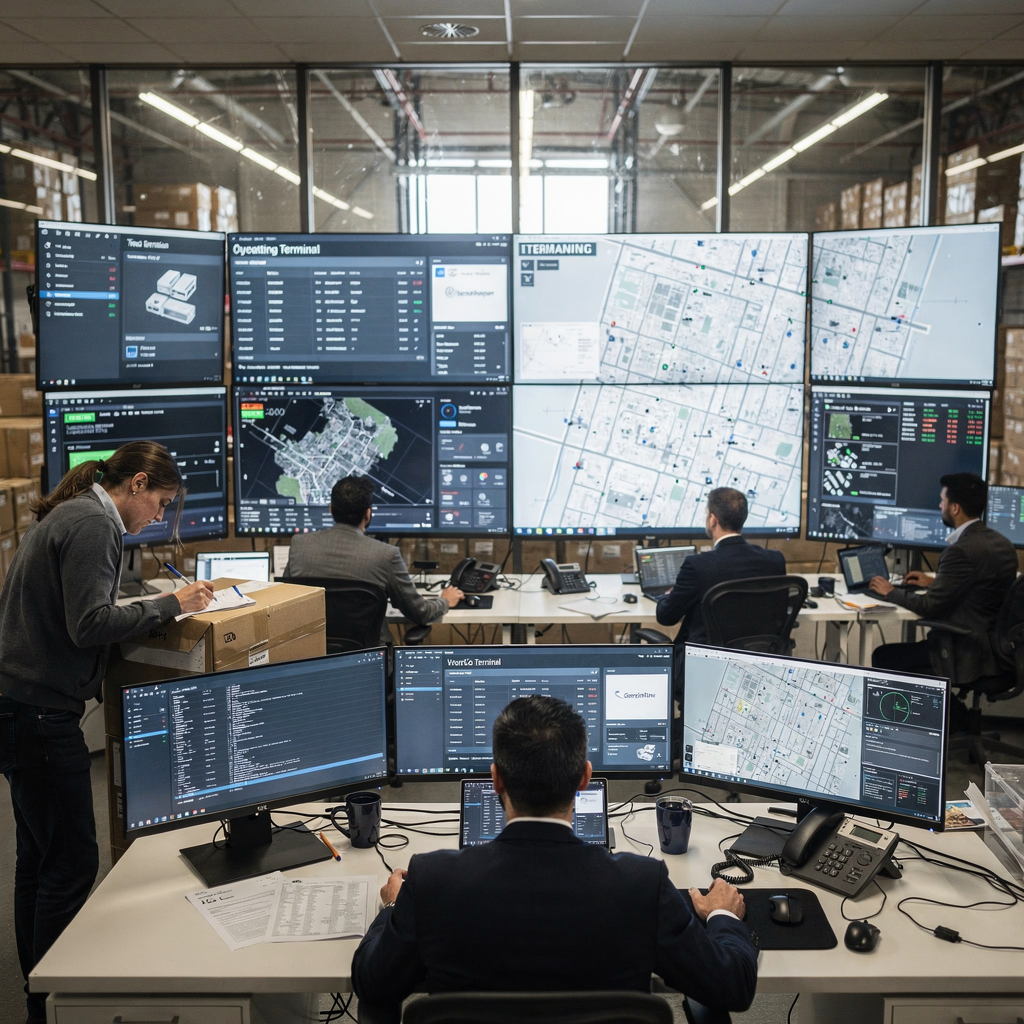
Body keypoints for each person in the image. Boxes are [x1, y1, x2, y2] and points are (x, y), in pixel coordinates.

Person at [352, 696, 758, 1022]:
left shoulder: (432, 879)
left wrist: (393, 907)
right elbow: (732, 988)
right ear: (584, 778)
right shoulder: (642, 883)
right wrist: (722, 916)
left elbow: (372, 983)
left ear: (495, 779)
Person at [0, 441, 214, 1024]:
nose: (156, 518)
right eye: (160, 504)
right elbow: (89, 623)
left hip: (19, 705)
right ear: (138, 484)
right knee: (70, 863)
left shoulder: (72, 515)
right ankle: (55, 1003)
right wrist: (171, 603)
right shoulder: (95, 524)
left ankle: (37, 992)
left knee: (37, 860)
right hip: (43, 716)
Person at [869, 473, 1017, 687]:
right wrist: (932, 582)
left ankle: (955, 717)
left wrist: (889, 591)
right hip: (996, 650)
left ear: (955, 508)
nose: (940, 505)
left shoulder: (960, 551)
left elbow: (928, 606)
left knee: (884, 656)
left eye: (943, 500)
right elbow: (981, 587)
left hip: (965, 653)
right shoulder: (1003, 544)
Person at [284, 474, 463, 644]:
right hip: (370, 660)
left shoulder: (299, 545)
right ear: (368, 514)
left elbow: (285, 603)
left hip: (312, 657)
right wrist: (445, 600)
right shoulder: (386, 555)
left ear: (331, 510)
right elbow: (420, 612)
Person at [656, 486, 786, 644]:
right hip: (755, 658)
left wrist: (666, 596)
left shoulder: (697, 565)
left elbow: (666, 617)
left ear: (713, 519)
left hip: (704, 660)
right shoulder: (775, 560)